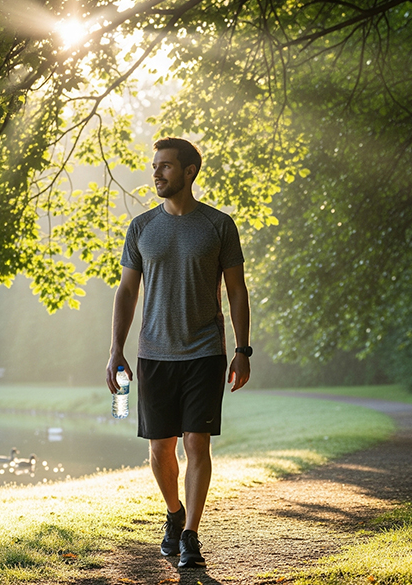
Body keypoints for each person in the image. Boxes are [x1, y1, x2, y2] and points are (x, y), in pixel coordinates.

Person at [107, 137, 252, 569]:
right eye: (155, 166)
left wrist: (243, 350)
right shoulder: (141, 228)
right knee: (160, 449)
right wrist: (116, 348)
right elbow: (127, 292)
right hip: (154, 354)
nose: (156, 173)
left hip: (205, 351)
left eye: (166, 166)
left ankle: (191, 534)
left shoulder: (219, 225)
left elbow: (237, 291)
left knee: (197, 442)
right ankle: (174, 513)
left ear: (189, 172)